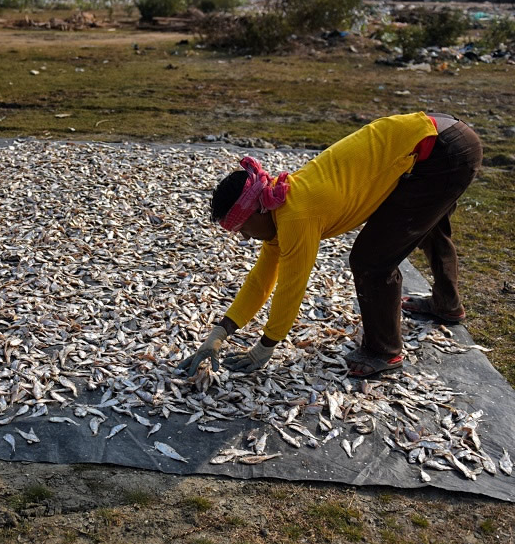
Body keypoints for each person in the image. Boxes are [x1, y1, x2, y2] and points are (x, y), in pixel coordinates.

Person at [180, 111, 482, 381]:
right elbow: (262, 279)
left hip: (444, 151)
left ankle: (384, 352)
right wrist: (221, 332)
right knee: (426, 222)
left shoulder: (297, 216)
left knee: (371, 260)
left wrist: (265, 347)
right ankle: (447, 305)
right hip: (436, 137)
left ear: (258, 210)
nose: (244, 236)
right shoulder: (278, 204)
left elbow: (290, 286)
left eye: (242, 228)